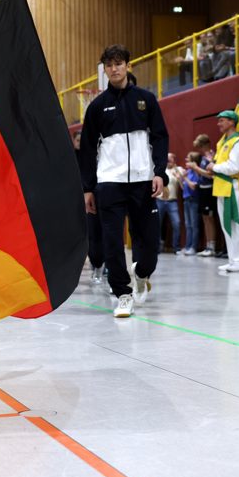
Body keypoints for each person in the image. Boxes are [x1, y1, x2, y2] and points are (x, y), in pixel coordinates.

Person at [79, 44, 168, 318]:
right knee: (112, 242)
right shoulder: (97, 107)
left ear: (128, 66)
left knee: (150, 244)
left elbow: (160, 137)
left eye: (118, 64)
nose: (114, 69)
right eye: (109, 65)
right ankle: (123, 294)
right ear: (104, 70)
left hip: (143, 181)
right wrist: (87, 188)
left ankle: (141, 273)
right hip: (109, 183)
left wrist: (159, 172)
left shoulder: (146, 100)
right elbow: (87, 150)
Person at [207, 110, 239, 272]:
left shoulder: (237, 142)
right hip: (222, 188)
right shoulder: (223, 142)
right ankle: (233, 260)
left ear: (232, 122)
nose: (218, 123)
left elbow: (235, 166)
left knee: (235, 224)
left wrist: (214, 167)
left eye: (222, 120)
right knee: (227, 225)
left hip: (233, 187)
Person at [73, 130, 104, 283]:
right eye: (78, 140)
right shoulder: (70, 159)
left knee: (99, 232)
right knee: (86, 234)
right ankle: (94, 263)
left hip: (95, 197)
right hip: (77, 201)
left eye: (82, 140)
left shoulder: (95, 156)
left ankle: (101, 265)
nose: (80, 143)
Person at [188, 134, 218, 256]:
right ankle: (208, 245)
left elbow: (211, 175)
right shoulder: (204, 157)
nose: (199, 150)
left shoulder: (212, 156)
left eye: (200, 147)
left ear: (205, 145)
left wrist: (195, 168)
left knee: (210, 218)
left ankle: (212, 246)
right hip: (202, 189)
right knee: (205, 218)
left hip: (209, 190)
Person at [157, 153, 184, 253]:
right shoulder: (160, 169)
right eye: (167, 159)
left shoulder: (178, 169)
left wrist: (178, 174)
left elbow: (183, 185)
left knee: (176, 223)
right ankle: (157, 247)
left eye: (170, 159)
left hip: (172, 201)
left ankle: (176, 247)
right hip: (159, 201)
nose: (168, 161)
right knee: (157, 224)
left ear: (174, 160)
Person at [180, 152, 201, 255]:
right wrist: (180, 178)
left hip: (194, 200)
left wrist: (185, 178)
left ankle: (193, 247)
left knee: (194, 225)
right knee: (188, 225)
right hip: (186, 200)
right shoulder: (188, 172)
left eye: (188, 159)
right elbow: (183, 187)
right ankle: (187, 246)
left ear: (194, 161)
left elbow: (193, 186)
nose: (186, 160)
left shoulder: (197, 173)